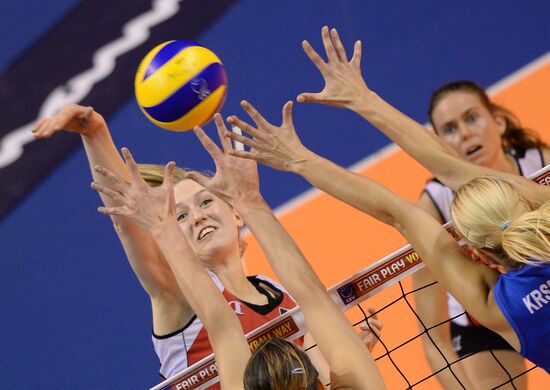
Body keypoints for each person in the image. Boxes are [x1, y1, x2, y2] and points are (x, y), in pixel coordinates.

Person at [220, 26, 550, 380]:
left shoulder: (499, 308)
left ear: (480, 255)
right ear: (526, 199)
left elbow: (400, 211)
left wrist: (300, 159)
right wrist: (364, 99)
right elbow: (455, 172)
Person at [31, 105, 381, 386]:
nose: (197, 217)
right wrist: (95, 132)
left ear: (236, 213)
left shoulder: (277, 292)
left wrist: (346, 365)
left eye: (205, 202)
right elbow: (127, 222)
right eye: (179, 217)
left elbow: (314, 372)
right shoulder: (179, 301)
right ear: (169, 241)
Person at [412, 80, 549, 388]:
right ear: (440, 145)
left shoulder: (539, 164)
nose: (464, 133)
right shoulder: (433, 206)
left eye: (471, 118)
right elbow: (433, 337)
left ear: (498, 121)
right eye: (449, 129)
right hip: (483, 314)